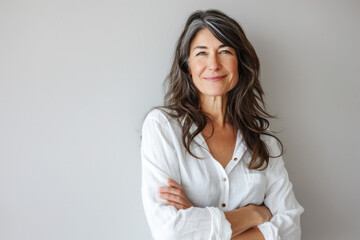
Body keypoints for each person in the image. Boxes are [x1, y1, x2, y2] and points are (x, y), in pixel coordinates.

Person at [141, 9, 304, 240]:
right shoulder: (163, 127)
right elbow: (170, 231)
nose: (213, 64)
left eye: (225, 51)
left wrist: (197, 218)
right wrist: (253, 214)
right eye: (201, 53)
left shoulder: (263, 140)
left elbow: (291, 228)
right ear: (188, 67)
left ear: (239, 62)